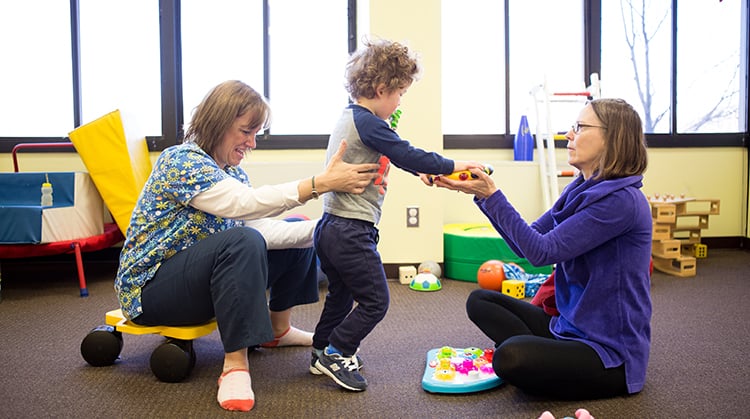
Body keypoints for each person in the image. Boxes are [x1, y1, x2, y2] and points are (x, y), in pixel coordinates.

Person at [115, 80, 379, 412]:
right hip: (152, 292)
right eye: (246, 132)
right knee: (240, 241)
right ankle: (235, 365)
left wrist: (336, 229)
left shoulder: (233, 173)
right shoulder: (181, 161)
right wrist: (318, 184)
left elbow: (261, 229)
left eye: (256, 134)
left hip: (201, 282)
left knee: (298, 231)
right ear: (218, 123)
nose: (252, 143)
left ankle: (276, 329)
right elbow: (243, 206)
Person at [433, 98, 651, 399]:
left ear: (612, 137)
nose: (569, 135)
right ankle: (549, 361)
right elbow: (527, 243)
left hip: (608, 353)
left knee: (509, 357)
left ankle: (545, 363)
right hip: (568, 328)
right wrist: (483, 197)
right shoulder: (580, 188)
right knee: (481, 301)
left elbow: (541, 252)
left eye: (580, 127)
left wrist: (492, 194)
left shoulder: (622, 202)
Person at [309, 39, 481, 391]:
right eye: (400, 93)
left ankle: (319, 352)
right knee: (376, 300)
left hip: (331, 227)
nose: (400, 101)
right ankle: (337, 351)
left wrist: (421, 171)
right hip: (350, 229)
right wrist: (453, 164)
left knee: (341, 294)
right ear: (381, 88)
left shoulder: (354, 119)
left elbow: (393, 156)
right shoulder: (368, 122)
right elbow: (405, 151)